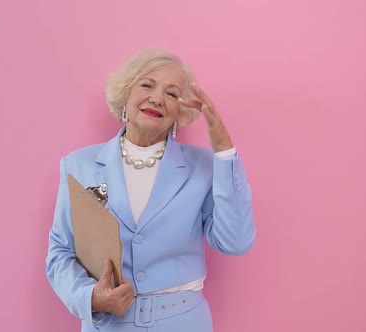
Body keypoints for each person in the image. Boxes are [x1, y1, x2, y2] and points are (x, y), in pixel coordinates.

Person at [46, 48, 256, 331]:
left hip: (183, 323)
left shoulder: (205, 167)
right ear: (126, 93)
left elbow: (236, 242)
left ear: (180, 111)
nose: (157, 98)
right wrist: (89, 296)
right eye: (147, 85)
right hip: (108, 325)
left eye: (171, 93)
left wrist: (224, 152)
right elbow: (60, 251)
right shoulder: (77, 165)